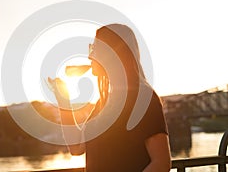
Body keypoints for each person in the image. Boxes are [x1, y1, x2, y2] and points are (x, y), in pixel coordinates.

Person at [48, 24, 172, 171]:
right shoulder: (104, 102)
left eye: (95, 49)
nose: (89, 56)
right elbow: (77, 147)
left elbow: (161, 162)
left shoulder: (143, 98)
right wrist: (64, 101)